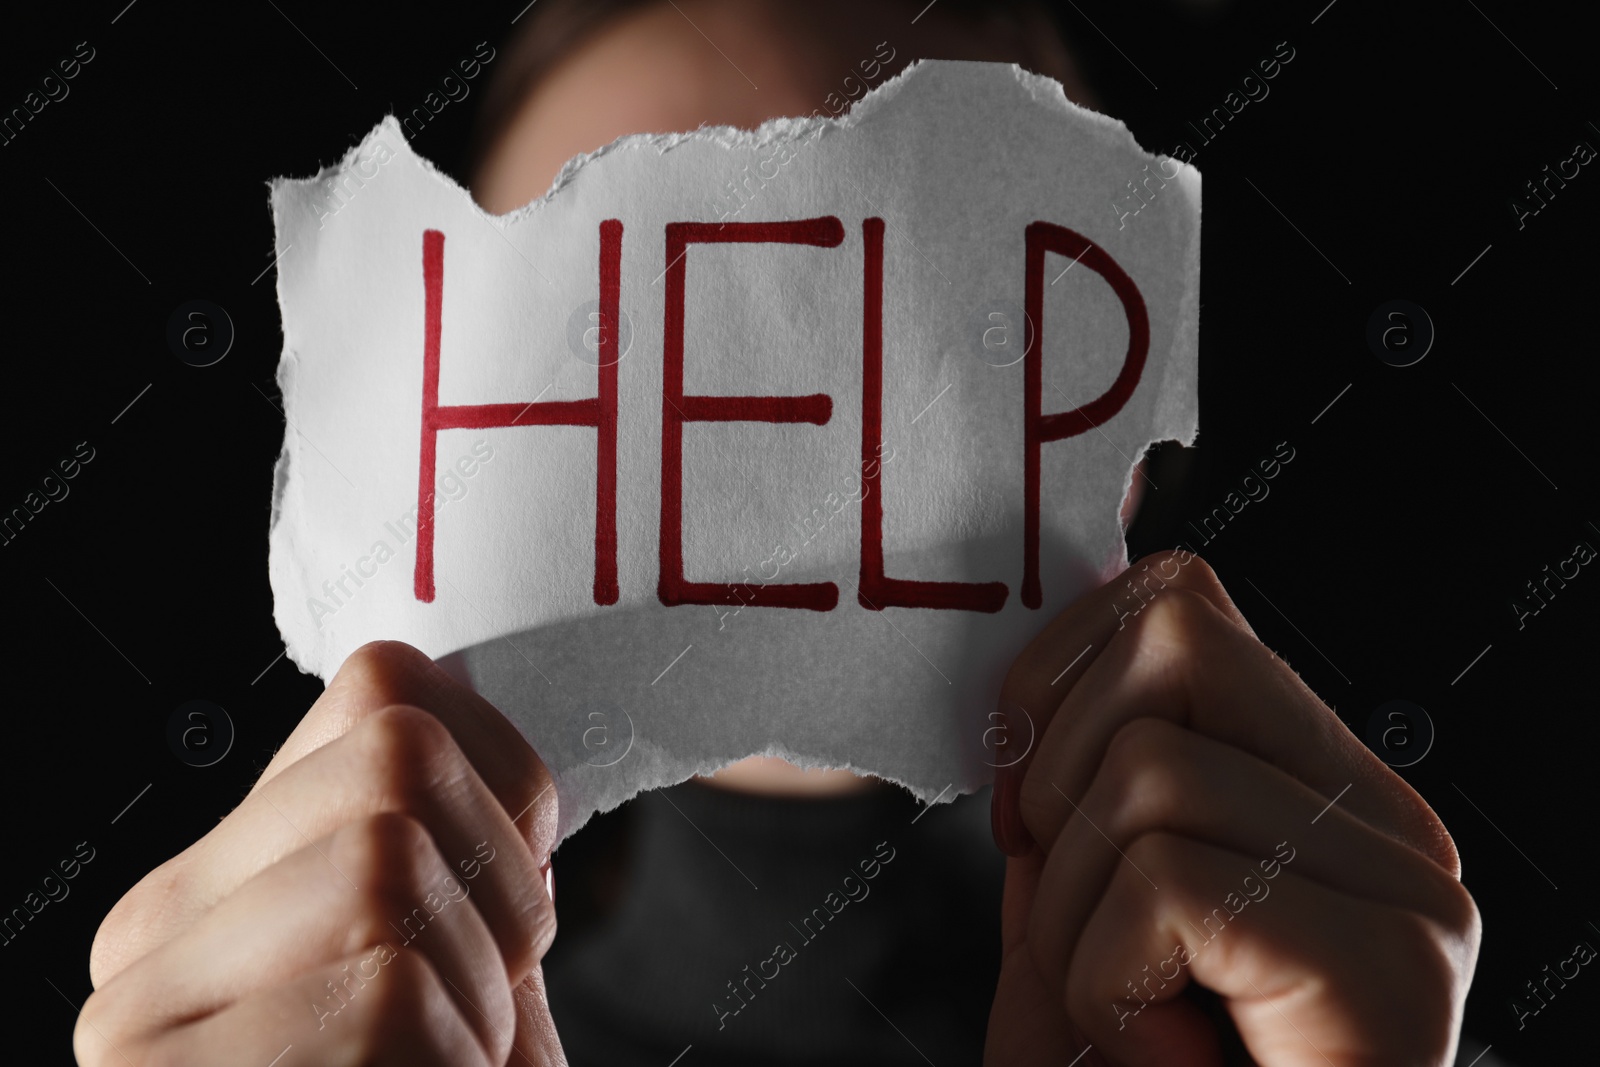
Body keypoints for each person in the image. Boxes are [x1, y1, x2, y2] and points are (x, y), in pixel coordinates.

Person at [75, 2, 1480, 1064]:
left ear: (1121, 438)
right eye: (594, 328)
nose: (769, 460)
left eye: (936, 322)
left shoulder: (1284, 1002)